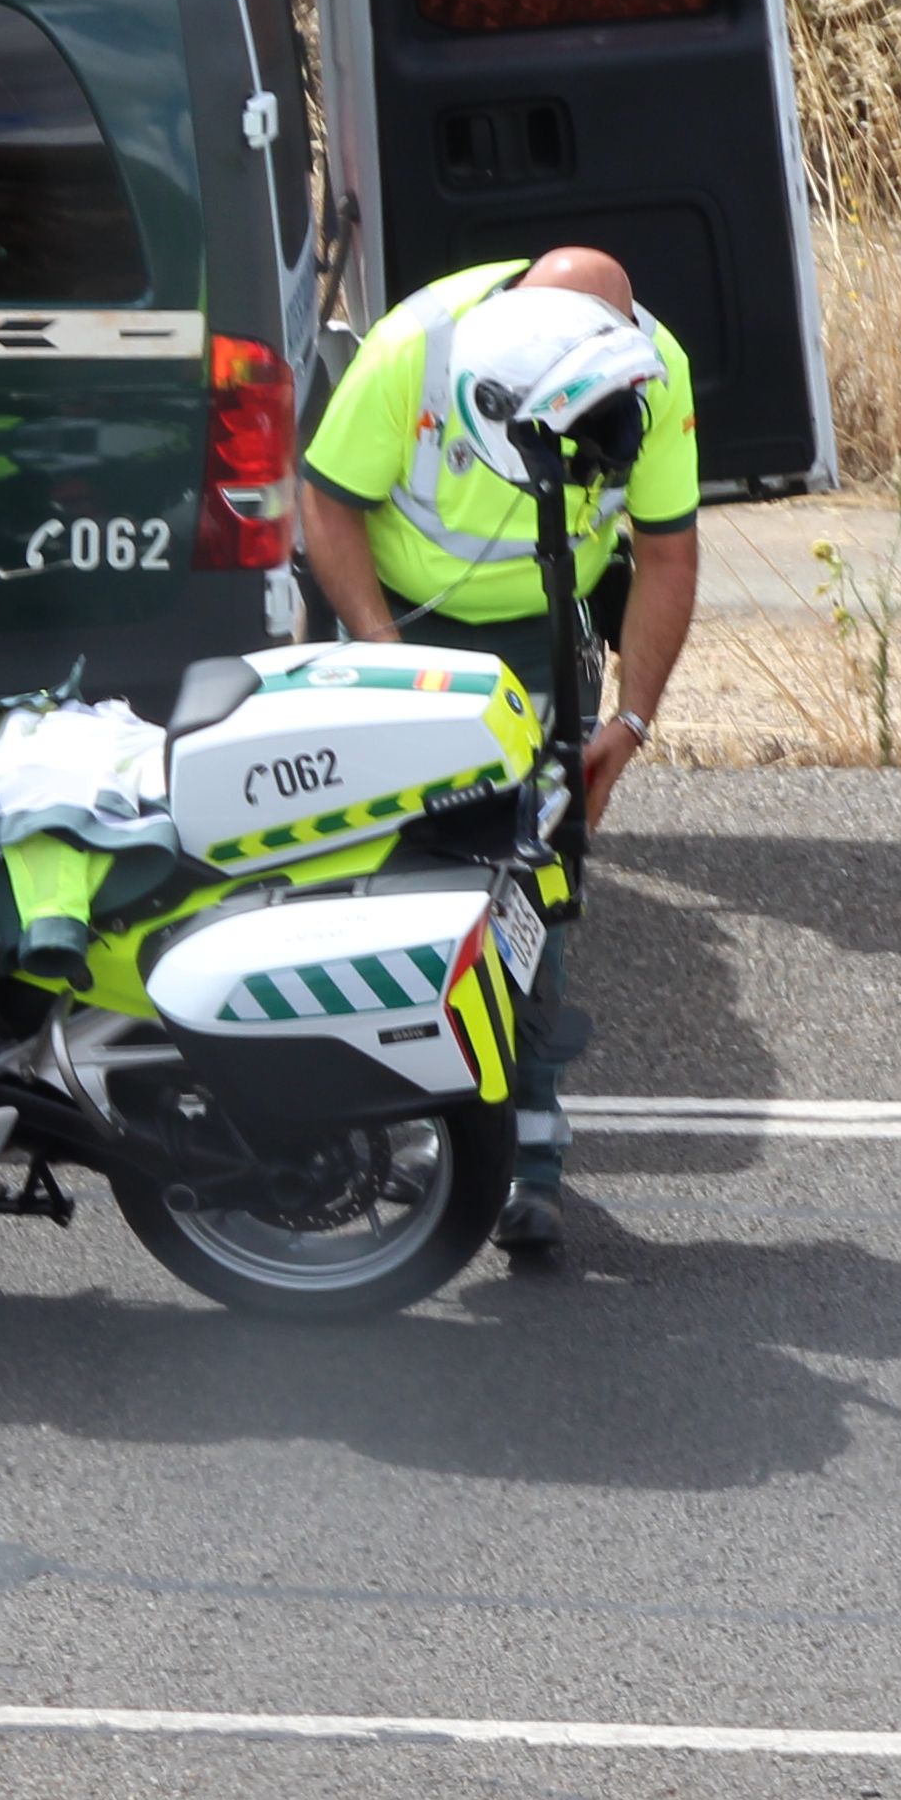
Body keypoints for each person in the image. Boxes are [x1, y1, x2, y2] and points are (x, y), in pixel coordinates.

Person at [294, 247, 701, 1260]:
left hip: (541, 639)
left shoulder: (652, 369)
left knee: (534, 896)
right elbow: (326, 504)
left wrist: (632, 723)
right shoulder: (411, 352)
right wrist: (388, 664)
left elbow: (666, 551)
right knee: (390, 883)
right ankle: (389, 1119)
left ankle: (533, 1153)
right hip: (403, 627)